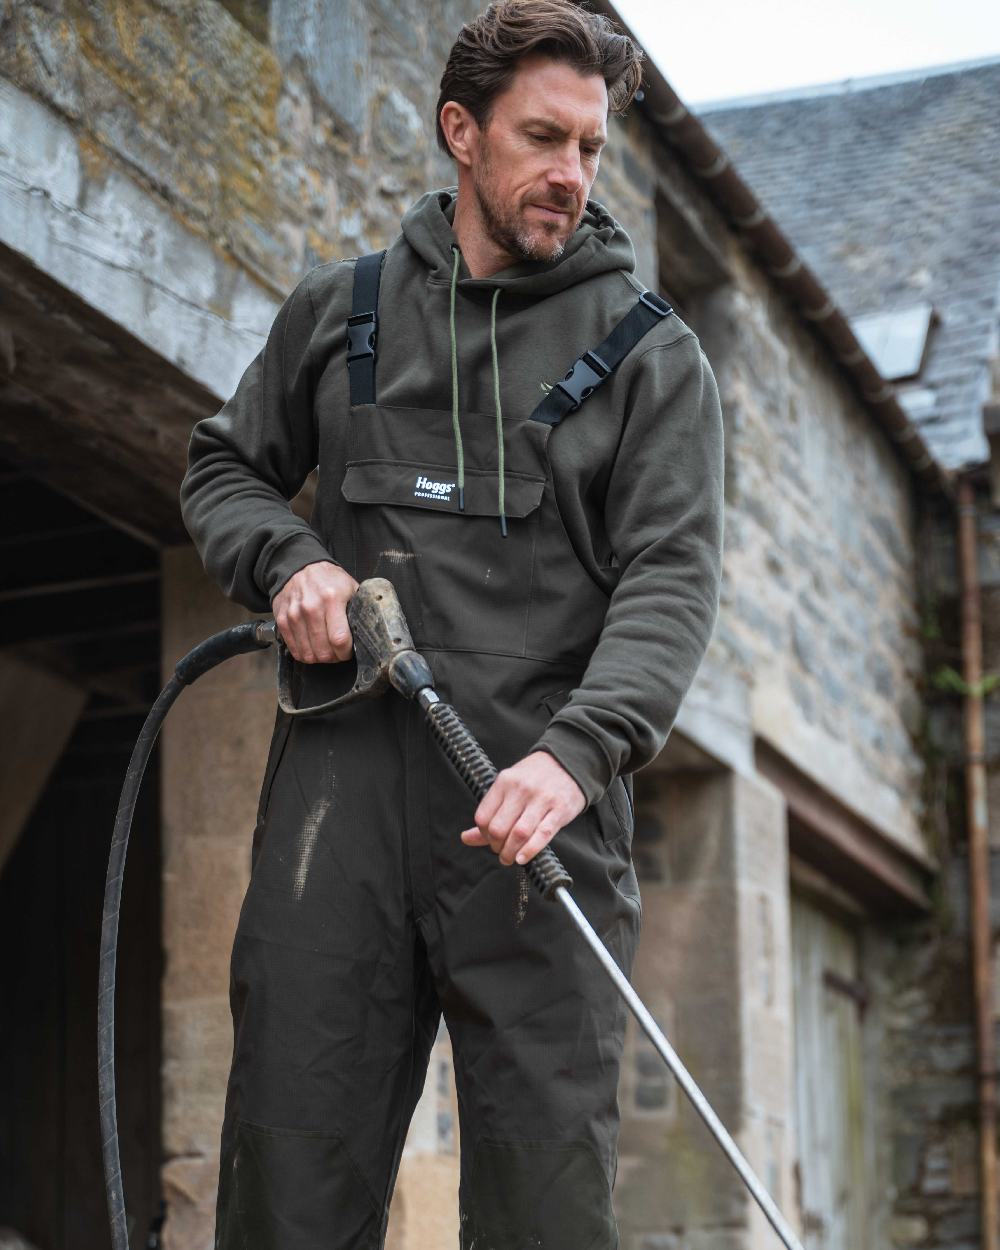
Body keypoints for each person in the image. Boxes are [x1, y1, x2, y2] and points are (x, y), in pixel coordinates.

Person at [180, 1, 724, 1246]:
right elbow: (223, 471)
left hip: (536, 829)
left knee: (546, 1211)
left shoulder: (650, 357)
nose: (569, 176)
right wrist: (292, 559)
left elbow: (670, 579)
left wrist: (578, 751)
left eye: (589, 147)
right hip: (339, 813)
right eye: (542, 138)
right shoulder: (340, 315)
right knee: (288, 1192)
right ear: (459, 132)